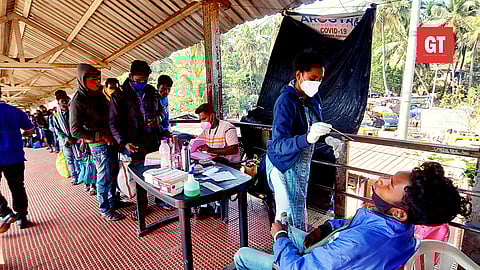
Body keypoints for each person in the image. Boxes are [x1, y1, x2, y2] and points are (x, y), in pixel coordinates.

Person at [233, 162, 472, 270]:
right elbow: (352, 224)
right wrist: (325, 229)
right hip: (340, 253)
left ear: (399, 212)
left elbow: (299, 268)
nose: (379, 181)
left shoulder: (362, 242)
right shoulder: (399, 227)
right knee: (292, 231)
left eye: (388, 185)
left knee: (243, 254)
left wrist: (280, 238)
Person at [266, 51, 341, 231]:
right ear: (299, 75)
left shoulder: (313, 98)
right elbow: (278, 145)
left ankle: (296, 249)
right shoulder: (286, 101)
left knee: (299, 208)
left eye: (320, 79)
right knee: (286, 214)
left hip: (301, 165)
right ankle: (284, 253)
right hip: (283, 165)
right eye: (313, 78)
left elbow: (315, 125)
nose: (317, 83)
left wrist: (327, 137)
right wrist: (307, 138)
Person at [109, 60, 171, 211]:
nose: (141, 83)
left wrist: (158, 119)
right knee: (139, 174)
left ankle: (161, 199)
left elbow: (162, 112)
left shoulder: (151, 91)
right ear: (130, 76)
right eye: (138, 80)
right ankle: (141, 206)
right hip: (134, 142)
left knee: (159, 169)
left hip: (153, 139)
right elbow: (113, 122)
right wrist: (123, 143)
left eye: (145, 80)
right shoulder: (119, 95)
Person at [70, 64, 124, 221]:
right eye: (92, 80)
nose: (97, 82)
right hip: (98, 144)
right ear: (82, 80)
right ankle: (105, 208)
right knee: (104, 175)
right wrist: (99, 136)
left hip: (111, 140)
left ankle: (114, 200)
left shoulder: (99, 95)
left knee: (113, 172)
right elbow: (75, 130)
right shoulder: (77, 101)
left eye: (98, 79)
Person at [195, 103, 241, 218]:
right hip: (214, 162)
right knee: (197, 171)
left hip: (229, 164)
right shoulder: (207, 130)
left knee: (210, 172)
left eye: (204, 118)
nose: (203, 122)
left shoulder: (227, 127)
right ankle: (205, 205)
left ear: (213, 115)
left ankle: (218, 203)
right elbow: (197, 141)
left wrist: (210, 149)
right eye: (201, 120)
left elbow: (234, 149)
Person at [0, 87, 35, 232]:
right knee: (17, 187)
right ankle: (22, 218)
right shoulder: (14, 111)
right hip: (15, 156)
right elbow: (30, 130)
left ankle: (5, 212)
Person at [52, 90, 83, 187]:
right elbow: (57, 130)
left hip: (77, 139)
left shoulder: (74, 110)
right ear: (58, 103)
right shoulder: (56, 115)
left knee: (79, 158)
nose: (65, 103)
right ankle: (74, 177)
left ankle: (81, 176)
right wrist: (66, 138)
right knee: (69, 160)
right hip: (65, 142)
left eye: (66, 101)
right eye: (63, 102)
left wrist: (76, 136)